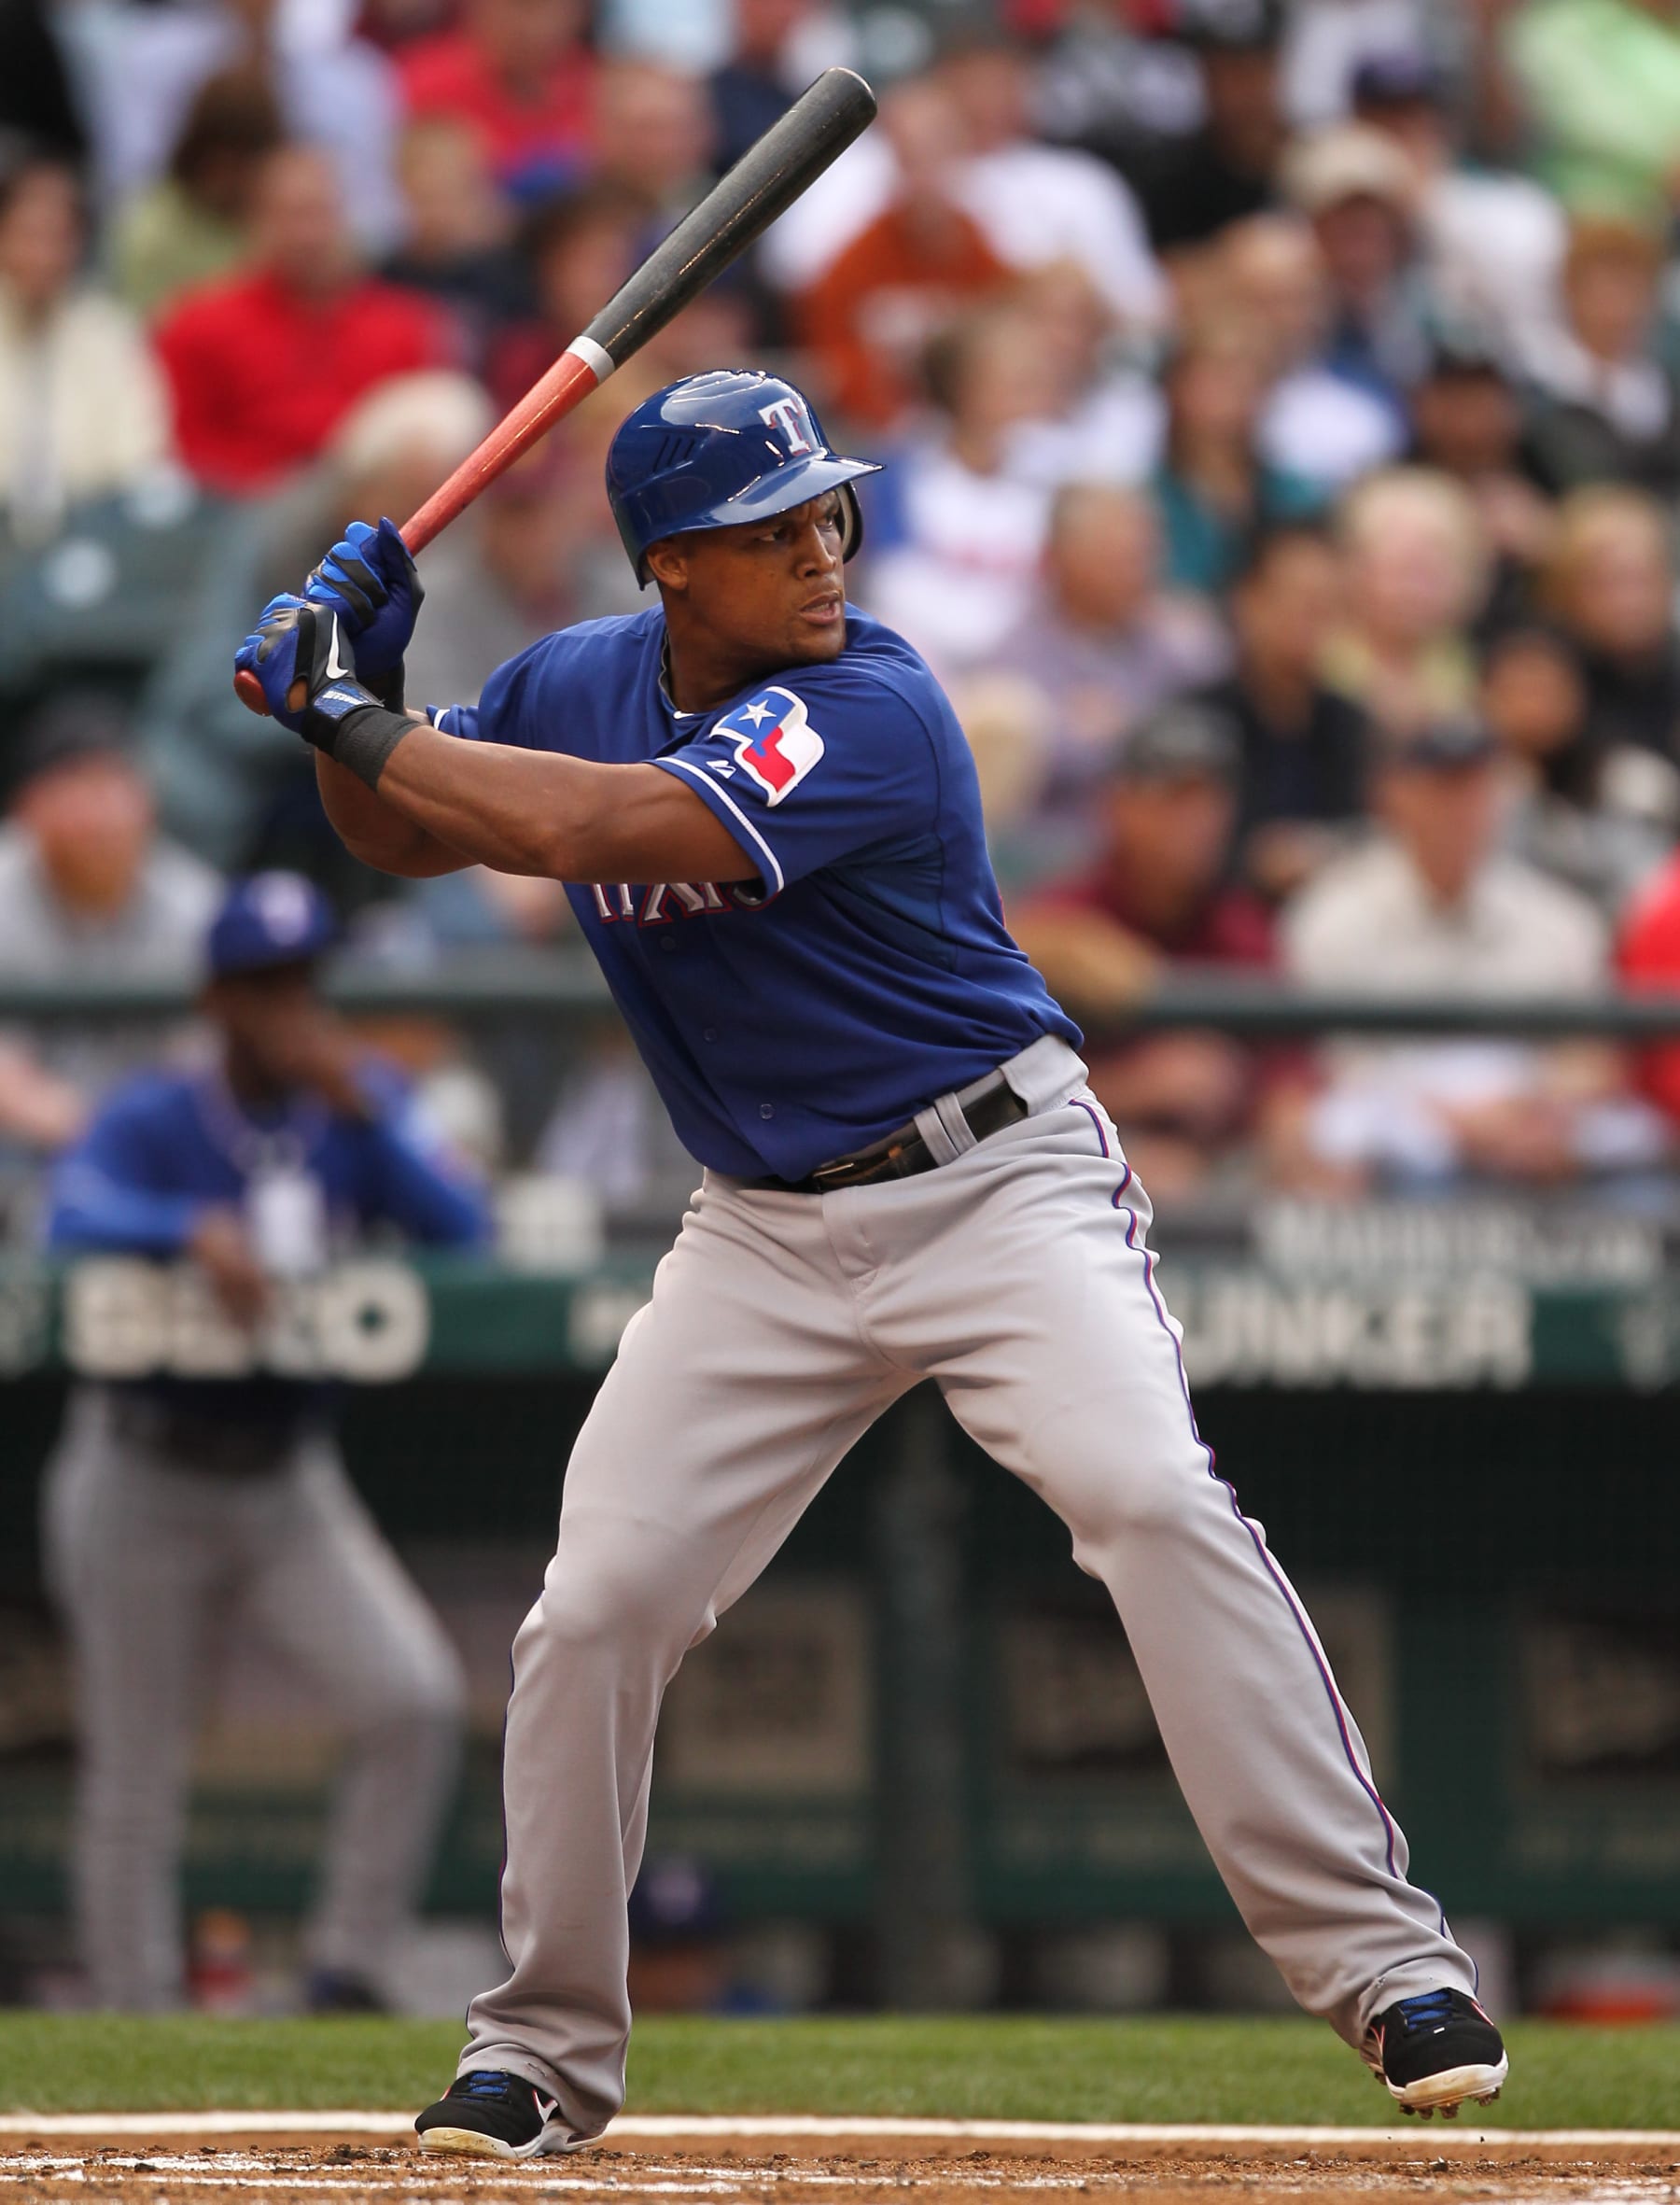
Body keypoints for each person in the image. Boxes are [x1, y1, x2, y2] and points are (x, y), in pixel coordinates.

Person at [237, 365, 1510, 2154]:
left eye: (828, 509)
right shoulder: (580, 680)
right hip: (760, 1228)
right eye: (772, 531)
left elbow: (592, 831)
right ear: (673, 564)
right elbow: (408, 828)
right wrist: (343, 711)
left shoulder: (876, 698)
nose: (825, 550)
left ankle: (1385, 1968)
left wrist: (353, 708)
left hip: (996, 1183)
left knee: (1149, 1495)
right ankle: (534, 2051)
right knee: (593, 1606)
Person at [43, 870, 485, 2012]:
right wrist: (181, 1227)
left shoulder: (356, 1105)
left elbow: (467, 1230)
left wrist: (373, 1114)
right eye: (262, 986)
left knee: (414, 1699)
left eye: (301, 982)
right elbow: (67, 1214)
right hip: (143, 1464)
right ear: (217, 997)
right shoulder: (160, 1113)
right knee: (136, 1774)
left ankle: (349, 1960)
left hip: (287, 1474)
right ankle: (136, 2019)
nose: (288, 1006)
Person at [1281, 718, 1654, 1190]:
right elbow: (1334, 1071)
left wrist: (1537, 1111)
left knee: (1638, 1183)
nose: (1460, 808)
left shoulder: (1558, 918)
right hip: (1399, 1160)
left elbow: (1594, 1060)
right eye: (1442, 787)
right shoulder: (1330, 917)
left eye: (1476, 788)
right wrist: (1457, 1121)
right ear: (1394, 794)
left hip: (1536, 1144)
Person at [1011, 703, 1279, 1202]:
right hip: (1086, 1166)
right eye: (1174, 798)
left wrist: (1283, 1121)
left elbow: (1290, 1079)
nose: (1197, 821)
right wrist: (1136, 1086)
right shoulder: (1065, 915)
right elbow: (1004, 1097)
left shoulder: (1242, 926)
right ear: (1119, 804)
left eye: (1210, 799)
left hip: (1231, 1167)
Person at [154, 146, 447, 497]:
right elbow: (186, 447)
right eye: (289, 216)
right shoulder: (197, 325)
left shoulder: (404, 324)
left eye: (318, 214)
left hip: (373, 513)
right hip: (246, 513)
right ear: (255, 223)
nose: (307, 235)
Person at [0, 695, 220, 1154]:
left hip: (150, 1154)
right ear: (28, 806)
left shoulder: (194, 903)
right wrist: (87, 1129)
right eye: (77, 783)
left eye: (113, 782)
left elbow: (201, 1074)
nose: (101, 810)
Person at [0, 154, 171, 541]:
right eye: (28, 235)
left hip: (91, 536)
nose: (42, 256)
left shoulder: (109, 334)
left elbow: (140, 459)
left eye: (58, 237)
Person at [1195, 523, 1368, 902]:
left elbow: (1373, 835)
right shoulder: (1197, 722)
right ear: (1248, 602)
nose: (1313, 618)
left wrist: (1323, 852)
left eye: (1327, 603)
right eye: (1297, 599)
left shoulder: (1355, 726)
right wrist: (1256, 862)